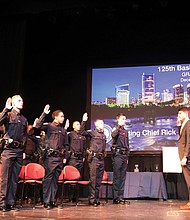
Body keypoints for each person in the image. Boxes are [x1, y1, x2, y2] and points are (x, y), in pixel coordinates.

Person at [34, 106, 69, 209]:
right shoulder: (49, 126)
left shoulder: (63, 130)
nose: (63, 118)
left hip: (59, 158)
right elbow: (37, 126)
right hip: (50, 157)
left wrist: (65, 156)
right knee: (48, 179)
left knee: (55, 180)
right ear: (55, 117)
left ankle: (52, 200)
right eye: (61, 116)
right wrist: (44, 114)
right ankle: (46, 201)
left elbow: (66, 144)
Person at [0, 95, 28, 212]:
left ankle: (10, 203)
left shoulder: (24, 119)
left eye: (22, 100)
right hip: (8, 150)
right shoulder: (8, 115)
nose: (21, 102)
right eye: (19, 100)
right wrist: (6, 109)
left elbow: (24, 137)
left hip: (18, 151)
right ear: (13, 103)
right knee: (5, 178)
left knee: (14, 178)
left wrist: (24, 151)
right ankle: (2, 203)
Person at [81, 114, 106, 206]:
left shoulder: (103, 135)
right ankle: (92, 200)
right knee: (93, 179)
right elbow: (82, 132)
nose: (103, 124)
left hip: (101, 158)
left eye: (103, 123)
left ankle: (96, 199)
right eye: (101, 123)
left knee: (99, 180)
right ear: (96, 125)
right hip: (94, 158)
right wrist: (84, 121)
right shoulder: (92, 132)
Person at [111, 113, 130, 205]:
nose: (124, 121)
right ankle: (115, 197)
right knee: (117, 177)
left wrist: (127, 156)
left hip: (124, 155)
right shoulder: (116, 129)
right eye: (122, 119)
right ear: (118, 120)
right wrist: (119, 126)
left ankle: (120, 197)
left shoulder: (125, 131)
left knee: (122, 177)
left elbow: (127, 145)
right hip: (117, 155)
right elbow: (113, 135)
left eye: (125, 119)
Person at [177, 107, 190, 210]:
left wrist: (185, 156)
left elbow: (188, 142)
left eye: (180, 114)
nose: (178, 116)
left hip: (187, 158)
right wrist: (178, 126)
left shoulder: (188, 124)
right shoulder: (184, 124)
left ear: (186, 114)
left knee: (189, 180)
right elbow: (182, 139)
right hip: (184, 156)